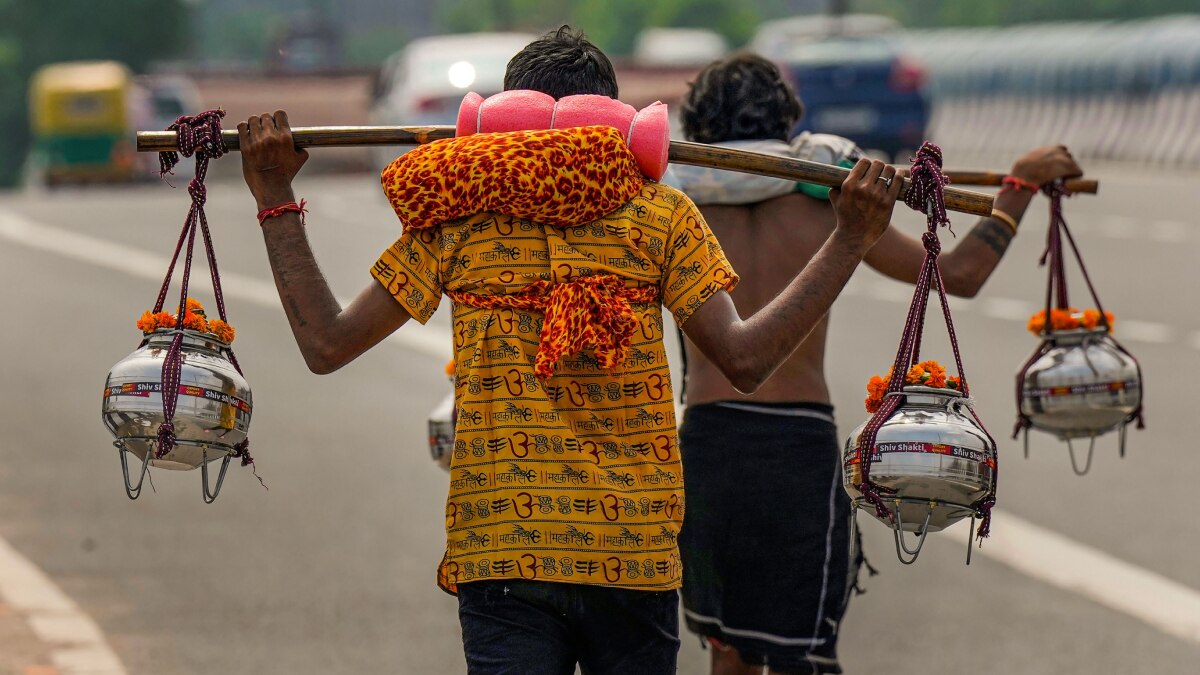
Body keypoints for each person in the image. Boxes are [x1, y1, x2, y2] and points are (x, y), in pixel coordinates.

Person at [236, 27, 899, 675]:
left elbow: (326, 342)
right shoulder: (660, 217)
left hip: (504, 553)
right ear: (614, 121)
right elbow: (747, 360)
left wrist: (274, 198)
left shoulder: (457, 222)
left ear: (500, 121)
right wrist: (849, 239)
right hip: (631, 553)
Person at [671, 53, 1083, 675]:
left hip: (705, 449)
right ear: (788, 124)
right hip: (796, 450)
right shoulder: (831, 203)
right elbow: (962, 276)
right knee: (803, 652)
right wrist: (1018, 188)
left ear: (700, 128)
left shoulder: (670, 209)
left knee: (731, 649)